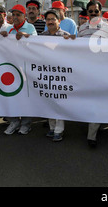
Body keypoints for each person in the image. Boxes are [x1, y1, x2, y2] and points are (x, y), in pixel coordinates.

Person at [78, 0, 108, 147]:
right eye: (90, 11)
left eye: (95, 11)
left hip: (101, 71)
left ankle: (92, 136)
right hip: (84, 71)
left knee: (97, 102)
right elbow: (75, 48)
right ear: (87, 12)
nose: (93, 13)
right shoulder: (81, 28)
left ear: (100, 12)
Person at [0, 4, 37, 135]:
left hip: (25, 68)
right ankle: (14, 121)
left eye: (18, 15)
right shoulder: (9, 29)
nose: (15, 17)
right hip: (11, 68)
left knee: (25, 96)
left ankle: (26, 124)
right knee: (11, 95)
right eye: (13, 15)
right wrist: (1, 36)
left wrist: (26, 36)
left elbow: (36, 44)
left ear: (24, 16)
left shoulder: (30, 27)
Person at [40, 9, 75, 142]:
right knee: (49, 100)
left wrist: (72, 40)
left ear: (58, 21)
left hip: (60, 74)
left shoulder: (65, 36)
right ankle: (52, 127)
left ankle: (59, 130)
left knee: (59, 101)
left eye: (52, 19)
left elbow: (73, 52)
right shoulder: (41, 37)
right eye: (47, 19)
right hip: (46, 74)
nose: (50, 22)